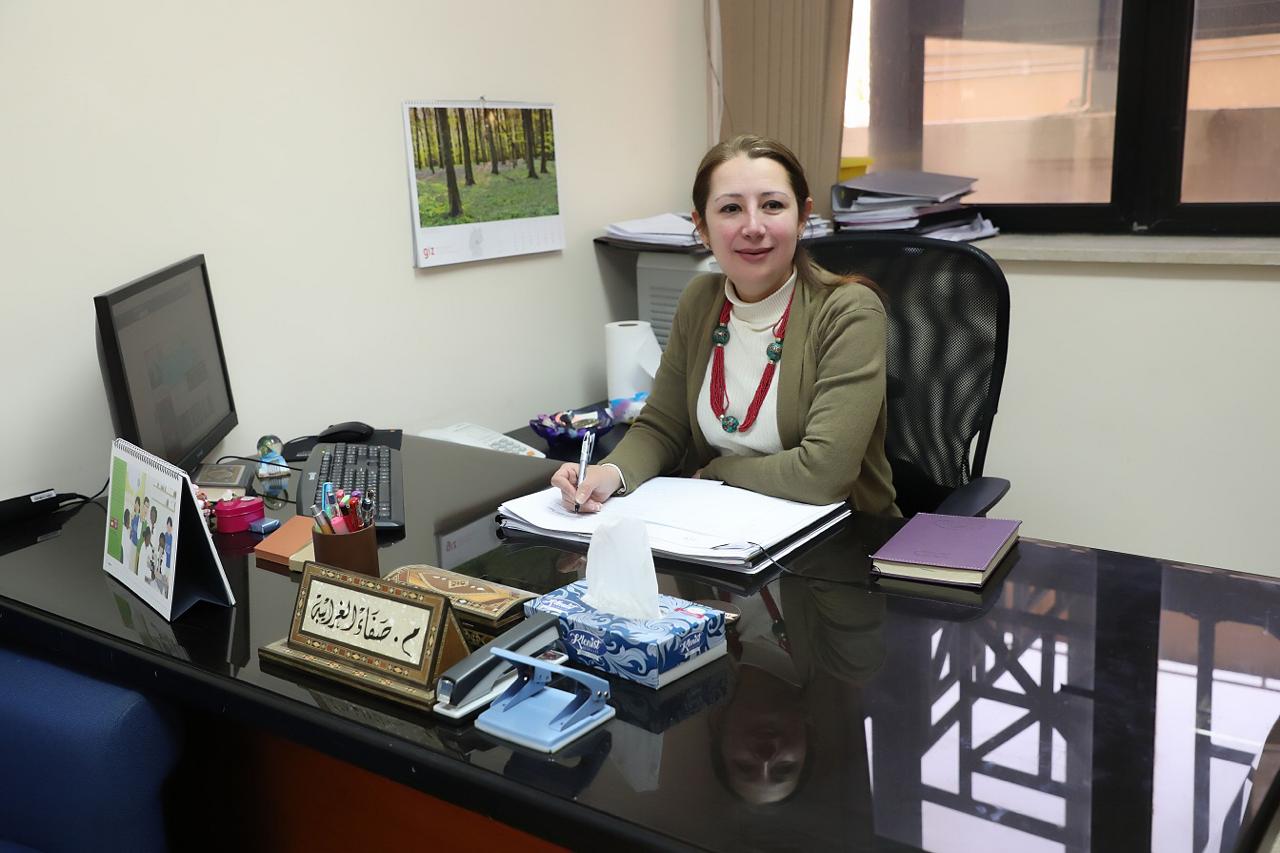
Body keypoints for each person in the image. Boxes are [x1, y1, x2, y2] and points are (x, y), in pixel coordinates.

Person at [553, 134, 897, 515]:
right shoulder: (700, 300)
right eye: (731, 208)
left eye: (772, 205)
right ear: (702, 227)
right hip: (723, 527)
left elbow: (824, 475)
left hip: (844, 535)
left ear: (802, 216)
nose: (753, 226)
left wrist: (720, 471)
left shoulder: (848, 312)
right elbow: (662, 426)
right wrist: (607, 473)